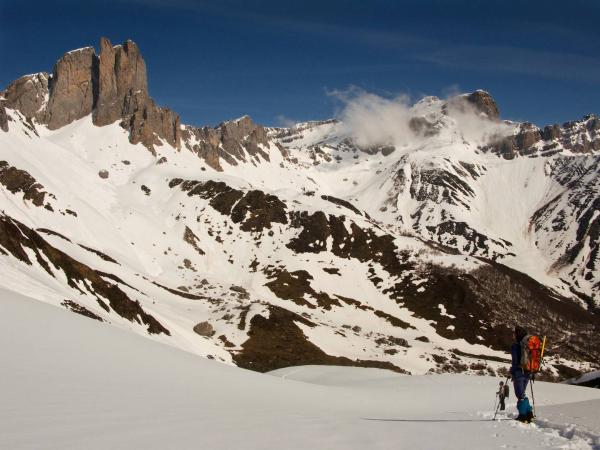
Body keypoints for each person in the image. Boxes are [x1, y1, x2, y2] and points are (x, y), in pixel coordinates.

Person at [510, 325, 534, 422]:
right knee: (522, 394)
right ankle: (529, 413)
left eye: (514, 333)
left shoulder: (516, 346)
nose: (513, 335)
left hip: (519, 372)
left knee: (520, 395)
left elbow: (515, 361)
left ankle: (523, 416)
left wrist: (512, 372)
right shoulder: (528, 344)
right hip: (528, 372)